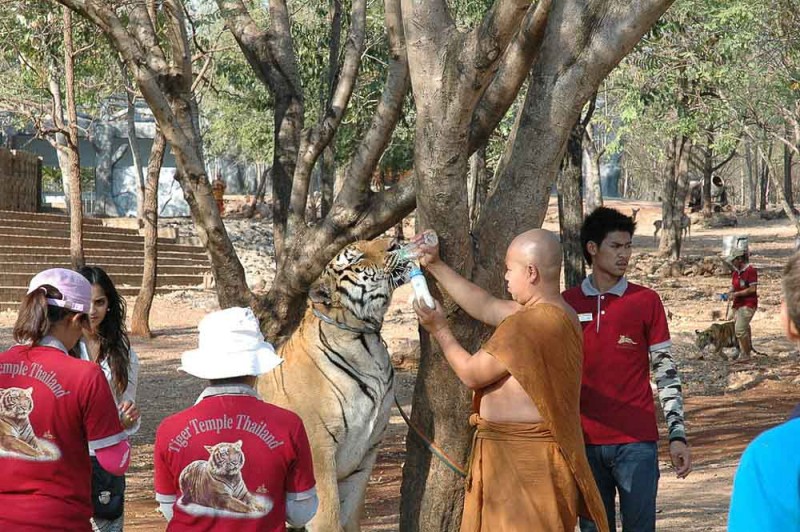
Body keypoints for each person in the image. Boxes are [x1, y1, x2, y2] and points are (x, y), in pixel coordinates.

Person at [411, 229, 608, 532]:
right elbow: (485, 305)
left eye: (508, 268)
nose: (504, 276)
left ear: (531, 273)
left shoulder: (530, 324)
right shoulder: (561, 314)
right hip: (525, 460)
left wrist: (439, 329)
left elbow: (472, 374)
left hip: (523, 465)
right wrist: (435, 265)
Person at [561, 207, 691, 532]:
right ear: (593, 249)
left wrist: (677, 435)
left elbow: (666, 372)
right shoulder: (565, 304)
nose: (625, 255)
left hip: (637, 443)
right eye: (616, 247)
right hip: (584, 442)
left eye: (628, 246)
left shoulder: (646, 301)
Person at [154, 307, 318, 531]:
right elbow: (300, 514)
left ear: (206, 368)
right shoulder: (289, 425)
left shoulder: (169, 429)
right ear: (256, 369)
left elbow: (168, 508)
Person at [0, 268, 130, 531]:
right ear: (76, 319)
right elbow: (114, 462)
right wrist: (119, 429)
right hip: (59, 520)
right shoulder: (86, 375)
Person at [728, 251, 800, 529]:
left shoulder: (771, 459)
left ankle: (745, 354)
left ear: (788, 323)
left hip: (745, 307)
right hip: (738, 307)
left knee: (742, 330)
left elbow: (751, 290)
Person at [78, 266, 141, 532]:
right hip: (68, 459)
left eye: (100, 302)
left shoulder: (123, 354)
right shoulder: (58, 348)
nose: (92, 310)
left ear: (110, 305)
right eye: (86, 302)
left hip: (106, 463)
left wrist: (124, 420)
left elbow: (126, 408)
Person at [726, 249, 758, 363]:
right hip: (737, 304)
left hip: (748, 304)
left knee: (739, 329)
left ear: (740, 259)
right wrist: (730, 292)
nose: (732, 263)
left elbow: (753, 289)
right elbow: (733, 286)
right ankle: (744, 350)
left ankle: (746, 355)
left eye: (734, 260)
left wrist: (736, 294)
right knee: (741, 327)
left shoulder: (750, 271)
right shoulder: (735, 273)